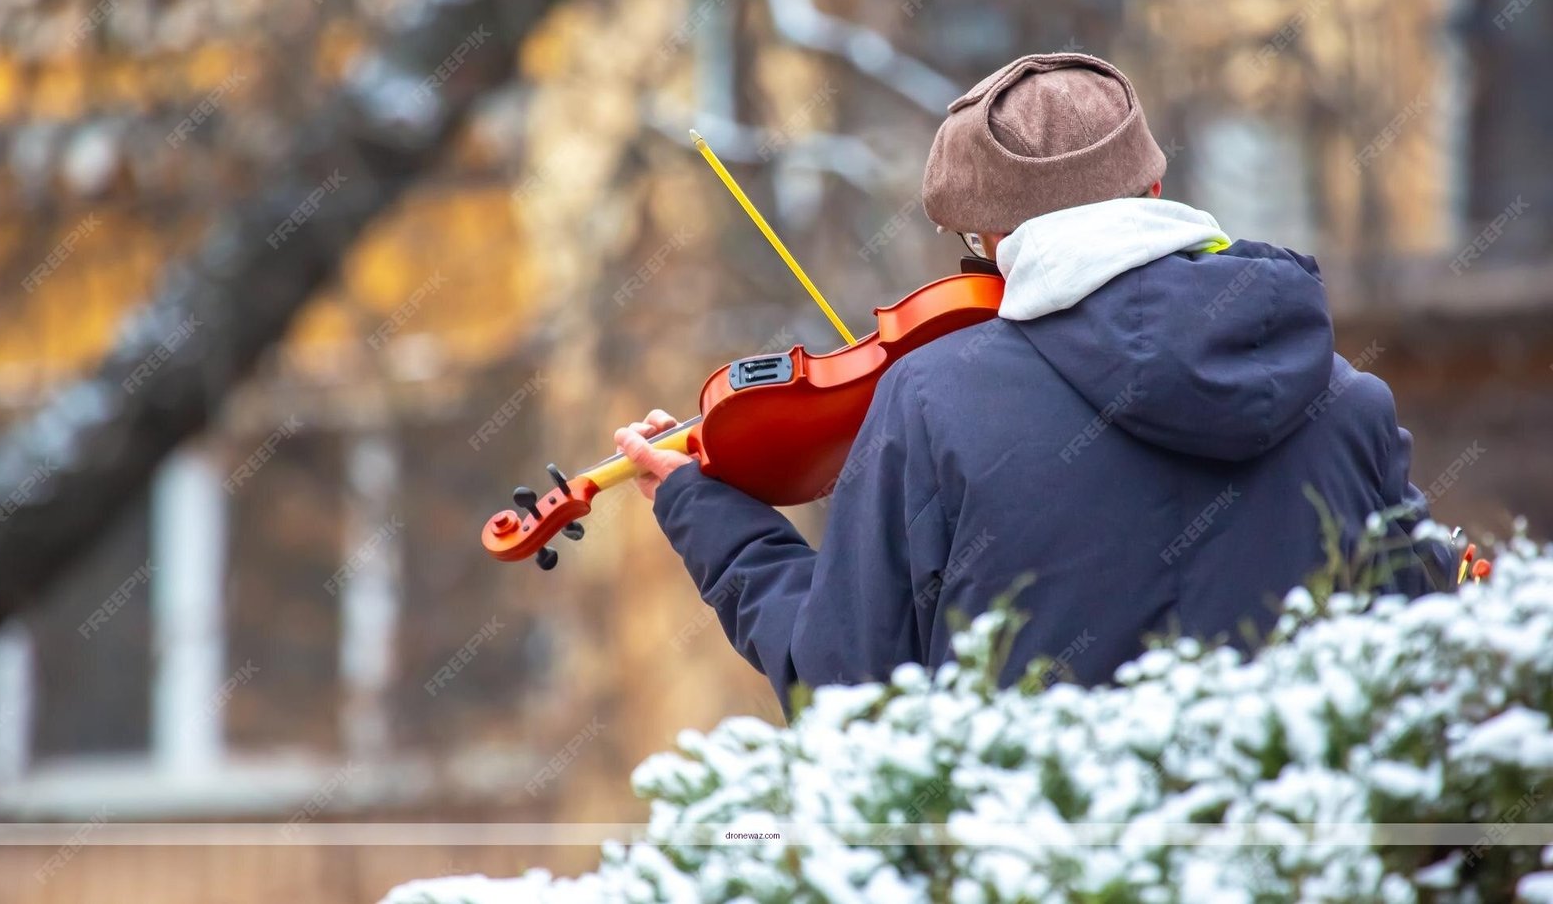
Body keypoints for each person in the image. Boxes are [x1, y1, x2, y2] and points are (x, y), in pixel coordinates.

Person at [615, 52, 1451, 717]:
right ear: (1153, 191)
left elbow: (849, 699)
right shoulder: (1350, 405)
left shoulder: (933, 401)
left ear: (991, 234)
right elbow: (1422, 673)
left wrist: (710, 515)